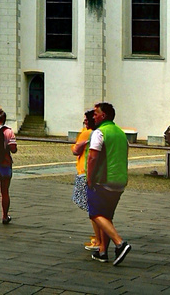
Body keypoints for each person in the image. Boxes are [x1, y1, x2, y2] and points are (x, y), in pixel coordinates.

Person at [86, 101, 131, 266]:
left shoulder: (100, 133)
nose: (93, 115)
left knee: (95, 213)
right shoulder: (120, 133)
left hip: (102, 180)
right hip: (119, 181)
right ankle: (103, 251)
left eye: (96, 113)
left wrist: (90, 179)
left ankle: (120, 243)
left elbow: (92, 157)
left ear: (103, 116)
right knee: (107, 216)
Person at [71, 109, 100, 250]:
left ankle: (98, 239)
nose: (85, 122)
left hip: (84, 172)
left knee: (92, 210)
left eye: (86, 120)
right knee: (95, 207)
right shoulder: (100, 132)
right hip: (98, 173)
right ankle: (99, 237)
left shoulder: (87, 133)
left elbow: (75, 150)